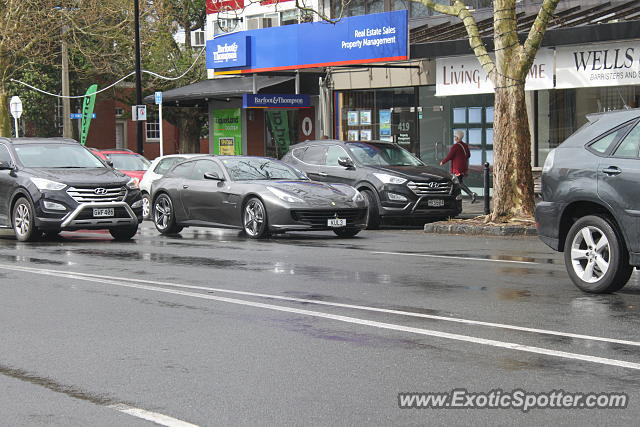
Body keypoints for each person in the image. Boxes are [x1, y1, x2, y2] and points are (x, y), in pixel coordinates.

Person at [440, 130, 477, 203]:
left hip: (457, 168)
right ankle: (458, 196)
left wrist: (442, 162)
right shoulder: (465, 145)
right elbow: (468, 155)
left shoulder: (456, 146)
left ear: (457, 137)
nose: (454, 138)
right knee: (459, 182)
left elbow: (450, 156)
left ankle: (470, 194)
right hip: (464, 166)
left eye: (455, 136)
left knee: (458, 183)